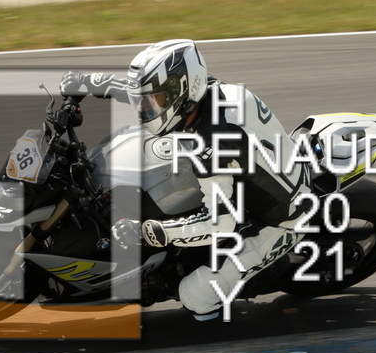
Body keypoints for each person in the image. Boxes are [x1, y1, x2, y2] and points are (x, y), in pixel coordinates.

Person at [59, 39, 311, 321]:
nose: (146, 110)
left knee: (196, 298)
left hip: (280, 218)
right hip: (250, 180)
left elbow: (219, 223)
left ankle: (257, 281)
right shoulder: (203, 91)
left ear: (183, 91)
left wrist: (149, 231)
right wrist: (90, 82)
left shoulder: (212, 141)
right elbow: (145, 92)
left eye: (155, 102)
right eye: (146, 102)